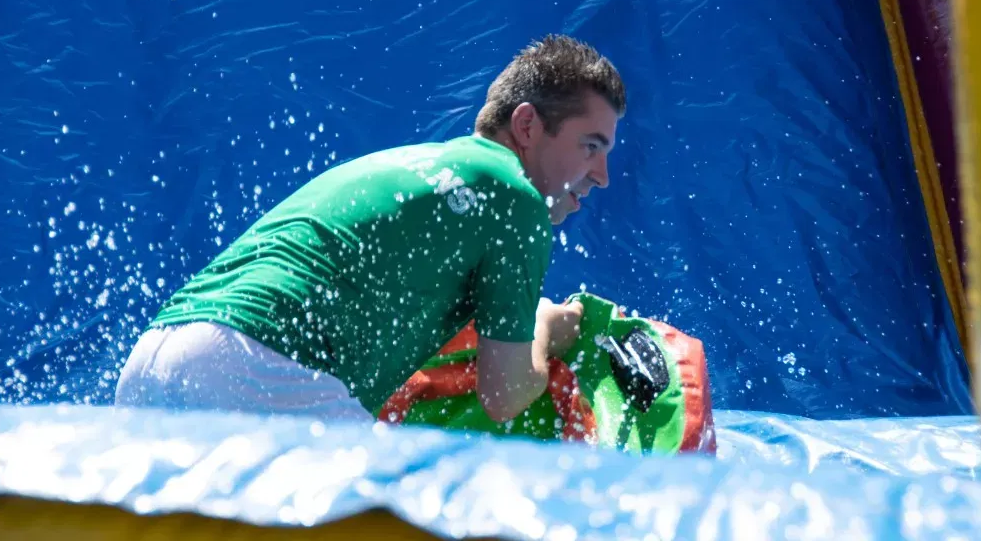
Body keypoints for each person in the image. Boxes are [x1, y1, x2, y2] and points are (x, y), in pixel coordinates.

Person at [114, 34, 626, 424]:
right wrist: (543, 327)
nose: (602, 175)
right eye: (591, 146)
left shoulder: (418, 164)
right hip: (257, 369)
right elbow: (504, 395)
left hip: (153, 360)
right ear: (528, 126)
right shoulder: (515, 197)